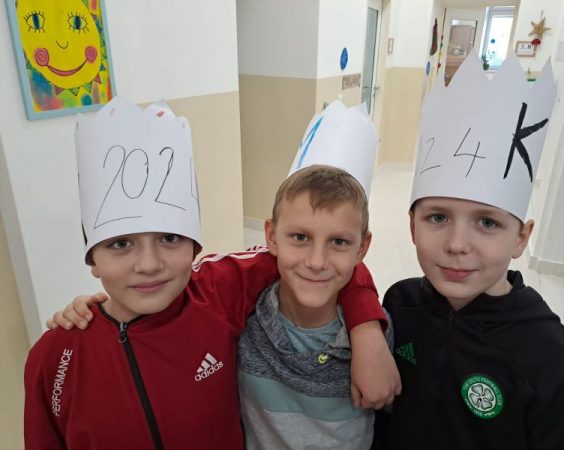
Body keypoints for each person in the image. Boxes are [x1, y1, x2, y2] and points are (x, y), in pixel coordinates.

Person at [25, 97, 398, 450]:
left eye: (169, 238)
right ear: (91, 258)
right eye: (121, 243)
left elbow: (325, 265)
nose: (148, 264)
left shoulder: (218, 291)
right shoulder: (54, 356)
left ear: (194, 248)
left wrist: (365, 326)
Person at [372, 54, 564, 449]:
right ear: (412, 226)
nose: (457, 244)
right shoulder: (398, 304)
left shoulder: (559, 368)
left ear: (521, 238)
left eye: (487, 223)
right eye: (438, 217)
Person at [238, 164, 393, 449]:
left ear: (362, 248)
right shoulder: (243, 318)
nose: (317, 262)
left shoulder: (378, 333)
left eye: (339, 242)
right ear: (271, 236)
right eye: (300, 237)